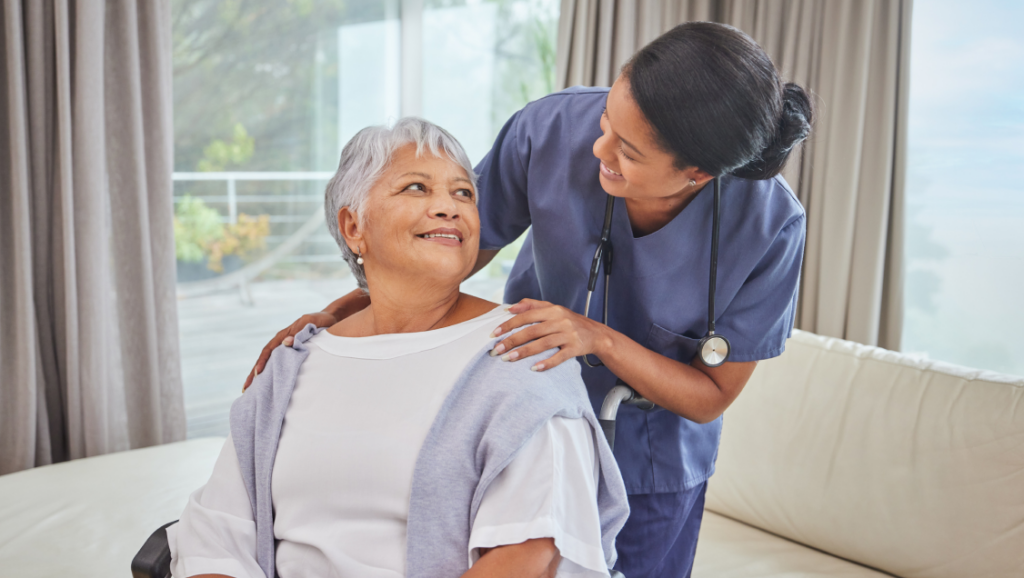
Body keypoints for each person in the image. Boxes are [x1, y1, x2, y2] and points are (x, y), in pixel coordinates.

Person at [245, 22, 812, 577]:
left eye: (629, 152)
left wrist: (598, 338)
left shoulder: (770, 227)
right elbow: (445, 247)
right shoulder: (550, 129)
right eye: (606, 119)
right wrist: (340, 313)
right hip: (520, 414)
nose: (598, 148)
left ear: (696, 172)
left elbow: (710, 396)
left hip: (651, 462)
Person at [168, 118, 629, 578]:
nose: (448, 207)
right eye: (416, 188)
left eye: (463, 193)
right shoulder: (292, 366)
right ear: (353, 226)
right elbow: (215, 539)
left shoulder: (524, 349)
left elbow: (527, 556)